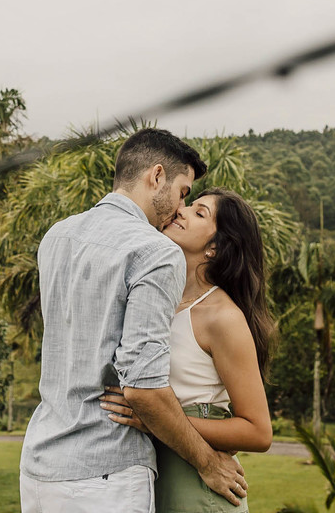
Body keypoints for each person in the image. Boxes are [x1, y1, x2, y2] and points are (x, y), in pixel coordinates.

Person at [20, 129, 249, 512]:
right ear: (156, 176)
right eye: (182, 193)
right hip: (106, 471)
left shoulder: (56, 237)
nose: (179, 209)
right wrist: (208, 463)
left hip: (40, 470)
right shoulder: (155, 252)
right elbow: (143, 389)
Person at [99, 187, 274, 512]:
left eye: (199, 212)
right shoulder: (155, 300)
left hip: (197, 484)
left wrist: (156, 419)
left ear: (215, 248)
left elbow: (259, 432)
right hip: (149, 473)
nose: (181, 210)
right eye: (189, 204)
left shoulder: (221, 316)